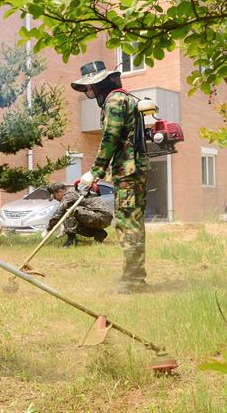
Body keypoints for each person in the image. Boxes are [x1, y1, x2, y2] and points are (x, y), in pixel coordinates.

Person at [71, 61, 150, 294]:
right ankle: (133, 277)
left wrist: (94, 172)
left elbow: (110, 138)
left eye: (88, 88)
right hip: (133, 169)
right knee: (131, 223)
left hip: (129, 171)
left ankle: (134, 281)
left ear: (99, 83)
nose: (87, 92)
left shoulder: (115, 101)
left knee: (128, 224)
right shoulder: (125, 98)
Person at [44, 182, 112, 247]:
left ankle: (71, 240)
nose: (56, 199)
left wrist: (48, 229)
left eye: (55, 197)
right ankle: (98, 233)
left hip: (101, 216)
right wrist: (64, 226)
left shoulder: (69, 195)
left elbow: (59, 213)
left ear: (60, 191)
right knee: (72, 221)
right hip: (100, 218)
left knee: (70, 210)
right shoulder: (73, 191)